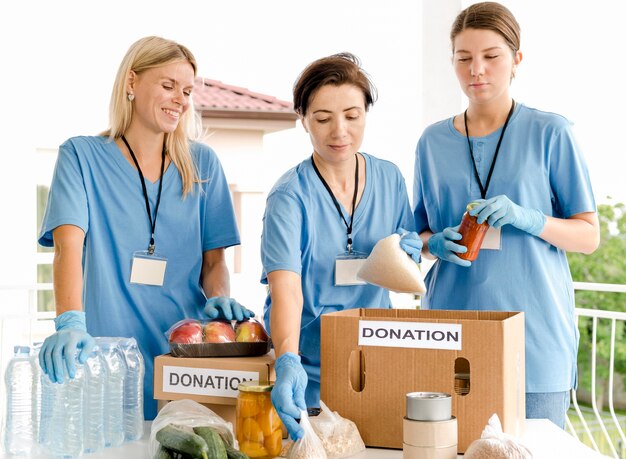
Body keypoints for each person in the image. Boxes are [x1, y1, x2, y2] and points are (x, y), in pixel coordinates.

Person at [37, 36, 253, 419]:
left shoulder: (203, 165)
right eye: (168, 86)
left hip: (183, 368)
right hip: (105, 365)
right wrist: (70, 321)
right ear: (132, 83)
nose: (180, 100)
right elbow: (67, 248)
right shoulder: (81, 157)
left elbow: (214, 262)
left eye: (186, 91)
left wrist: (219, 297)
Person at [413, 2, 600, 429]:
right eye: (464, 58)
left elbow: (588, 236)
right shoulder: (431, 142)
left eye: (490, 56)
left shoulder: (552, 133)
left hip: (533, 343)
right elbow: (418, 235)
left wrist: (531, 219)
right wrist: (434, 243)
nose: (476, 69)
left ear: (516, 59)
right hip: (450, 335)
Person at [261, 53, 422, 440]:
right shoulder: (289, 197)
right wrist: (286, 360)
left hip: (375, 361)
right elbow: (286, 291)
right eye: (322, 118)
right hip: (308, 370)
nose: (339, 131)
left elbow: (404, 260)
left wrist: (412, 254)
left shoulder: (389, 178)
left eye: (352, 116)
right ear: (303, 119)